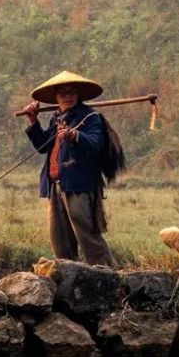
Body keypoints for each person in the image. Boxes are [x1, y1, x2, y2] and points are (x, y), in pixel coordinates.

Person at [22, 70, 114, 267]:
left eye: (71, 92)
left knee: (86, 233)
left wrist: (75, 136)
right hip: (55, 184)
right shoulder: (56, 118)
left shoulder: (90, 117)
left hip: (79, 185)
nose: (67, 96)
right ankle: (68, 275)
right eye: (62, 93)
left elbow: (96, 143)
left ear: (78, 95)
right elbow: (43, 146)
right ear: (56, 97)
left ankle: (107, 275)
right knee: (59, 236)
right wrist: (32, 121)